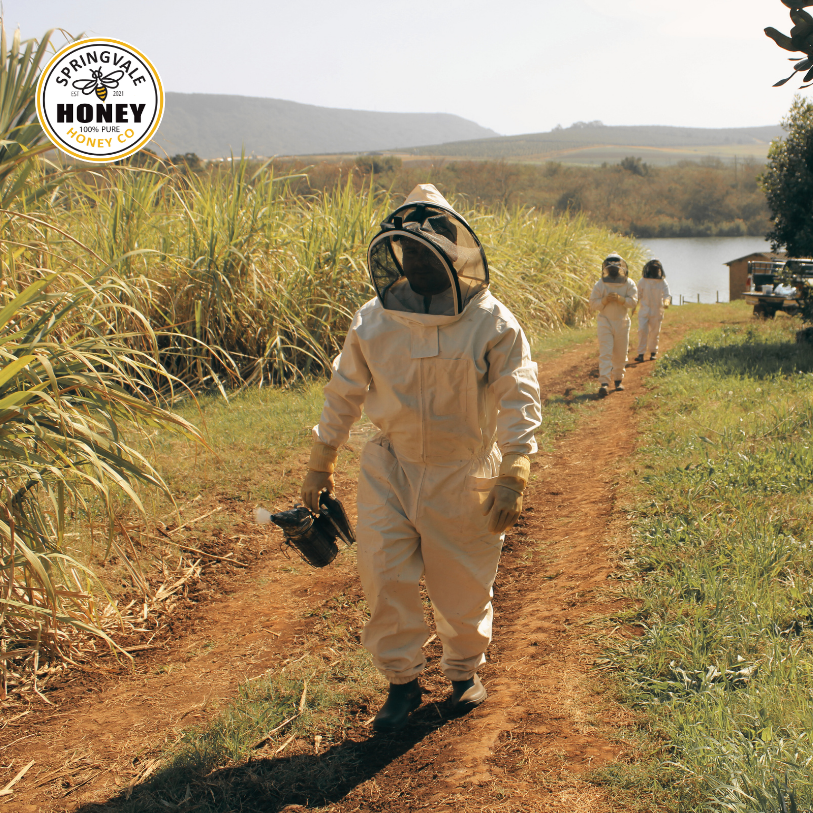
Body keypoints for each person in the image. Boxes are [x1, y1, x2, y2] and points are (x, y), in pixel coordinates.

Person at [300, 184, 542, 733]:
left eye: (427, 249)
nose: (415, 259)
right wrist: (321, 459)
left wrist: (516, 467)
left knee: (462, 581)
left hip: (465, 467)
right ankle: (402, 685)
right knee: (384, 574)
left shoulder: (491, 320)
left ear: (454, 252)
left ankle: (462, 674)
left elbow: (518, 392)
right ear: (395, 254)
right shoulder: (373, 319)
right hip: (391, 465)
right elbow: (344, 391)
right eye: (407, 250)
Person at [589, 254, 638, 398]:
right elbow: (593, 303)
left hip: (622, 321)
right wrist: (604, 300)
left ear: (622, 267)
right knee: (606, 352)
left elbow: (634, 301)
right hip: (605, 321)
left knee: (620, 353)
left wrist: (622, 300)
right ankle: (604, 383)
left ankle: (618, 380)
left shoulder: (629, 283)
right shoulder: (601, 284)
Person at [634, 259, 671, 362]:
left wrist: (666, 302)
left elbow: (667, 295)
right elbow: (637, 295)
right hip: (644, 311)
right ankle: (641, 354)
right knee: (642, 331)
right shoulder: (642, 281)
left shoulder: (662, 282)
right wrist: (633, 307)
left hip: (656, 311)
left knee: (654, 332)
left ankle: (653, 352)